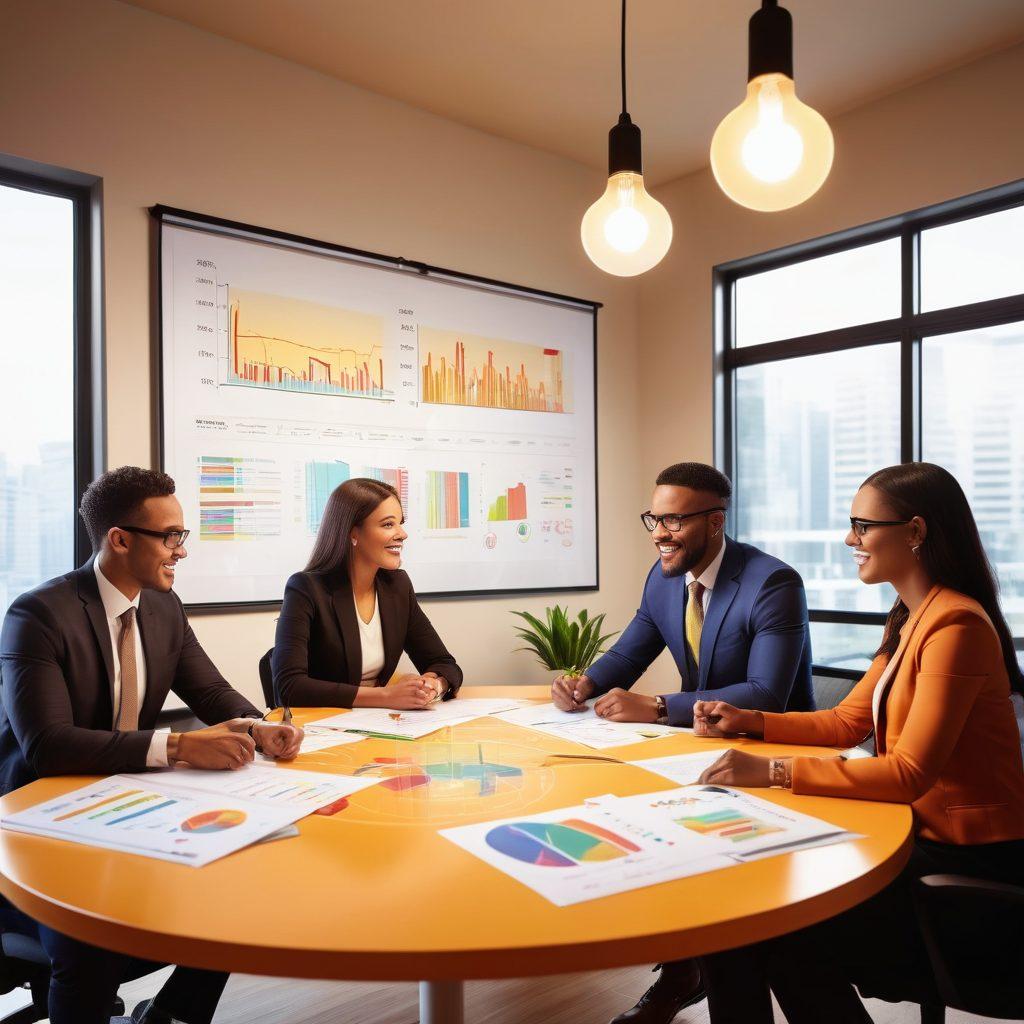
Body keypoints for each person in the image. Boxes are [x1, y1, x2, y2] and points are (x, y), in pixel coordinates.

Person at [691, 462, 1024, 1024]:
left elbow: (908, 773)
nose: (850, 540)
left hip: (966, 870)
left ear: (915, 532)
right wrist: (747, 720)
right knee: (741, 913)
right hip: (917, 838)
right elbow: (846, 722)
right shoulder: (913, 616)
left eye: (862, 526)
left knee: (770, 922)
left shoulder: (956, 627)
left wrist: (773, 772)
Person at [0, 466, 303, 1024]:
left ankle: (169, 1016)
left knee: (232, 896)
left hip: (124, 806)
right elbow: (48, 746)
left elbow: (209, 690)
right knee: (91, 943)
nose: (181, 550)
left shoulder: (163, 606)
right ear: (119, 539)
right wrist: (180, 748)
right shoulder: (38, 614)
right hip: (38, 825)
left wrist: (257, 726)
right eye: (170, 537)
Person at [550, 462, 814, 1024]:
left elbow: (766, 693)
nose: (660, 533)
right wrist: (585, 683)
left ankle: (697, 977)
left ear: (715, 521)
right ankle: (683, 973)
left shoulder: (772, 583)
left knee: (732, 903)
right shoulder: (665, 576)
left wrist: (658, 705)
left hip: (771, 759)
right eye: (654, 518)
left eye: (673, 520)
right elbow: (632, 649)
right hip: (700, 750)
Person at [271, 477, 462, 708]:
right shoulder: (306, 589)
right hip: (324, 722)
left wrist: (432, 684)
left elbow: (444, 663)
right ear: (353, 533)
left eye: (400, 523)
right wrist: (386, 697)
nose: (402, 534)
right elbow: (289, 688)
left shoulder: (397, 586)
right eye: (388, 524)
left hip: (377, 721)